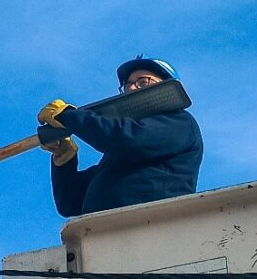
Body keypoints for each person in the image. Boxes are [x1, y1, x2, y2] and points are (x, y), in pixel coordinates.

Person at [38, 55, 203, 217]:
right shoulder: (116, 162)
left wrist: (70, 116)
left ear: (166, 86)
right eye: (127, 85)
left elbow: (126, 139)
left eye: (143, 82)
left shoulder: (179, 122)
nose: (131, 88)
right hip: (106, 234)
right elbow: (70, 203)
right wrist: (65, 160)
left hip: (153, 225)